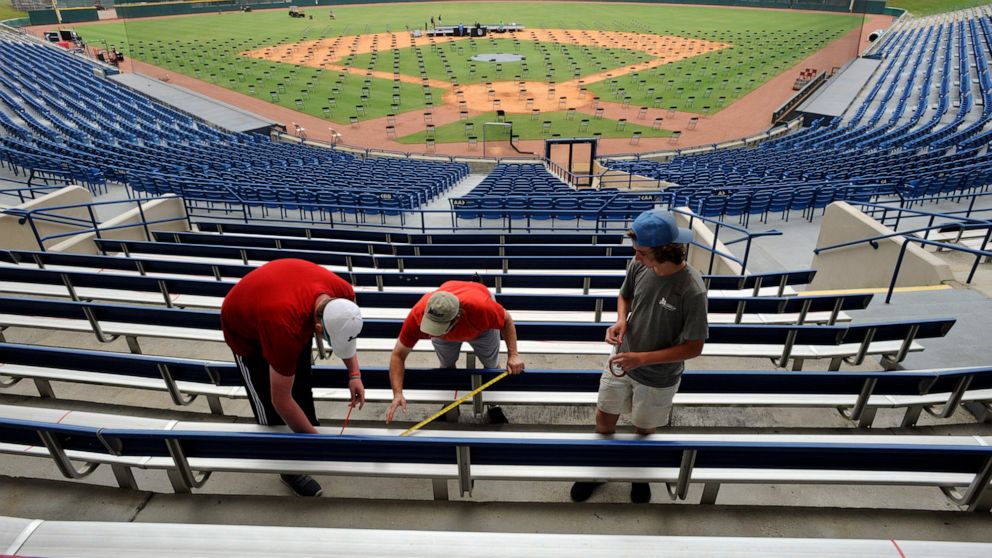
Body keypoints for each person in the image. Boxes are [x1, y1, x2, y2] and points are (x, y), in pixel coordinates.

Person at [570, 209, 708, 505]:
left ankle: (639, 475)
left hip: (658, 377)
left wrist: (642, 359)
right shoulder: (640, 266)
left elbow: (694, 347)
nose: (635, 257)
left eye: (641, 252)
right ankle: (596, 471)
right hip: (622, 362)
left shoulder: (692, 290)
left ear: (664, 252)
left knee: (645, 429)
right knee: (604, 420)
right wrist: (621, 320)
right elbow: (625, 295)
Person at [221, 258, 366, 497]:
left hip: (282, 305)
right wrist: (321, 446)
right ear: (318, 328)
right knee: (270, 406)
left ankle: (306, 434)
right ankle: (289, 467)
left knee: (301, 386)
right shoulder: (285, 326)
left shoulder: (344, 295)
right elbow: (281, 400)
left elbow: (346, 335)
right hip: (246, 331)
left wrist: (354, 374)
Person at [385, 280, 525, 423]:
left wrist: (513, 355)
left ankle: (493, 404)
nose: (433, 333)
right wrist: (397, 393)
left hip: (481, 328)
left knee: (491, 364)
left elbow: (507, 320)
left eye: (438, 328)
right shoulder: (418, 314)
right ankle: (451, 404)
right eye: (431, 326)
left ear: (457, 318)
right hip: (457, 317)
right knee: (446, 366)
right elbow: (398, 355)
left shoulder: (482, 308)